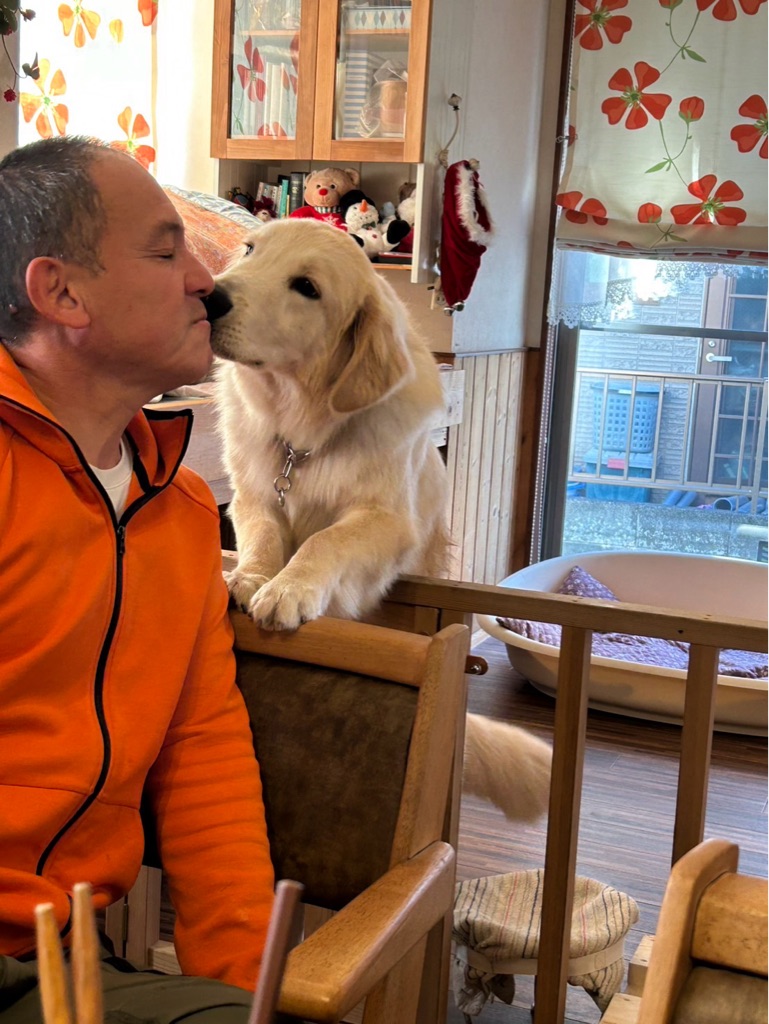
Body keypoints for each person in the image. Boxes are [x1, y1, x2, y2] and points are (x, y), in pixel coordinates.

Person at [0, 136, 275, 1022]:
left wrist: (243, 997)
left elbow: (204, 762)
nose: (207, 282)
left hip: (61, 960)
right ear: (61, 293)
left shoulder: (182, 512)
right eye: (165, 253)